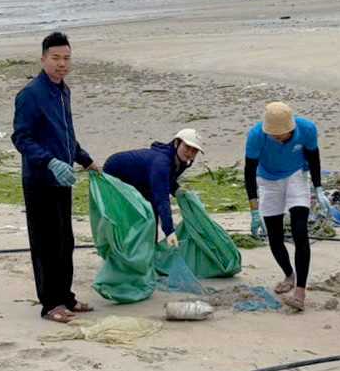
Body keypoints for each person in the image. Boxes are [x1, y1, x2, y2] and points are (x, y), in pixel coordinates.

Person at [12, 32, 100, 324]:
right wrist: (49, 161)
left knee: (65, 241)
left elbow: (66, 134)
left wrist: (84, 159)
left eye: (66, 58)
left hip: (63, 179)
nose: (62, 64)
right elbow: (21, 138)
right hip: (40, 180)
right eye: (56, 58)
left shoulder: (63, 91)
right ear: (43, 59)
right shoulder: (30, 94)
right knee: (45, 243)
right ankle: (50, 304)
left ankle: (66, 296)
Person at [244, 101, 330, 312]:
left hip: (295, 176)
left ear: (291, 128)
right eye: (272, 135)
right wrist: (254, 209)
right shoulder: (256, 135)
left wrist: (318, 188)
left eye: (280, 135)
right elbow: (249, 172)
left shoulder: (307, 129)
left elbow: (314, 157)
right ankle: (289, 275)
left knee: (300, 232)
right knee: (274, 237)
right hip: (268, 180)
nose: (276, 138)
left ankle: (300, 292)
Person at [103, 129, 205, 246]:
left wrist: (177, 190)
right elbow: (162, 198)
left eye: (194, 150)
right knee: (136, 217)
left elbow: (167, 179)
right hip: (115, 175)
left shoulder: (179, 160)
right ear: (177, 143)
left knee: (150, 213)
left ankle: (149, 246)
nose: (190, 153)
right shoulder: (161, 162)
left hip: (141, 179)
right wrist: (169, 231)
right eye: (187, 147)